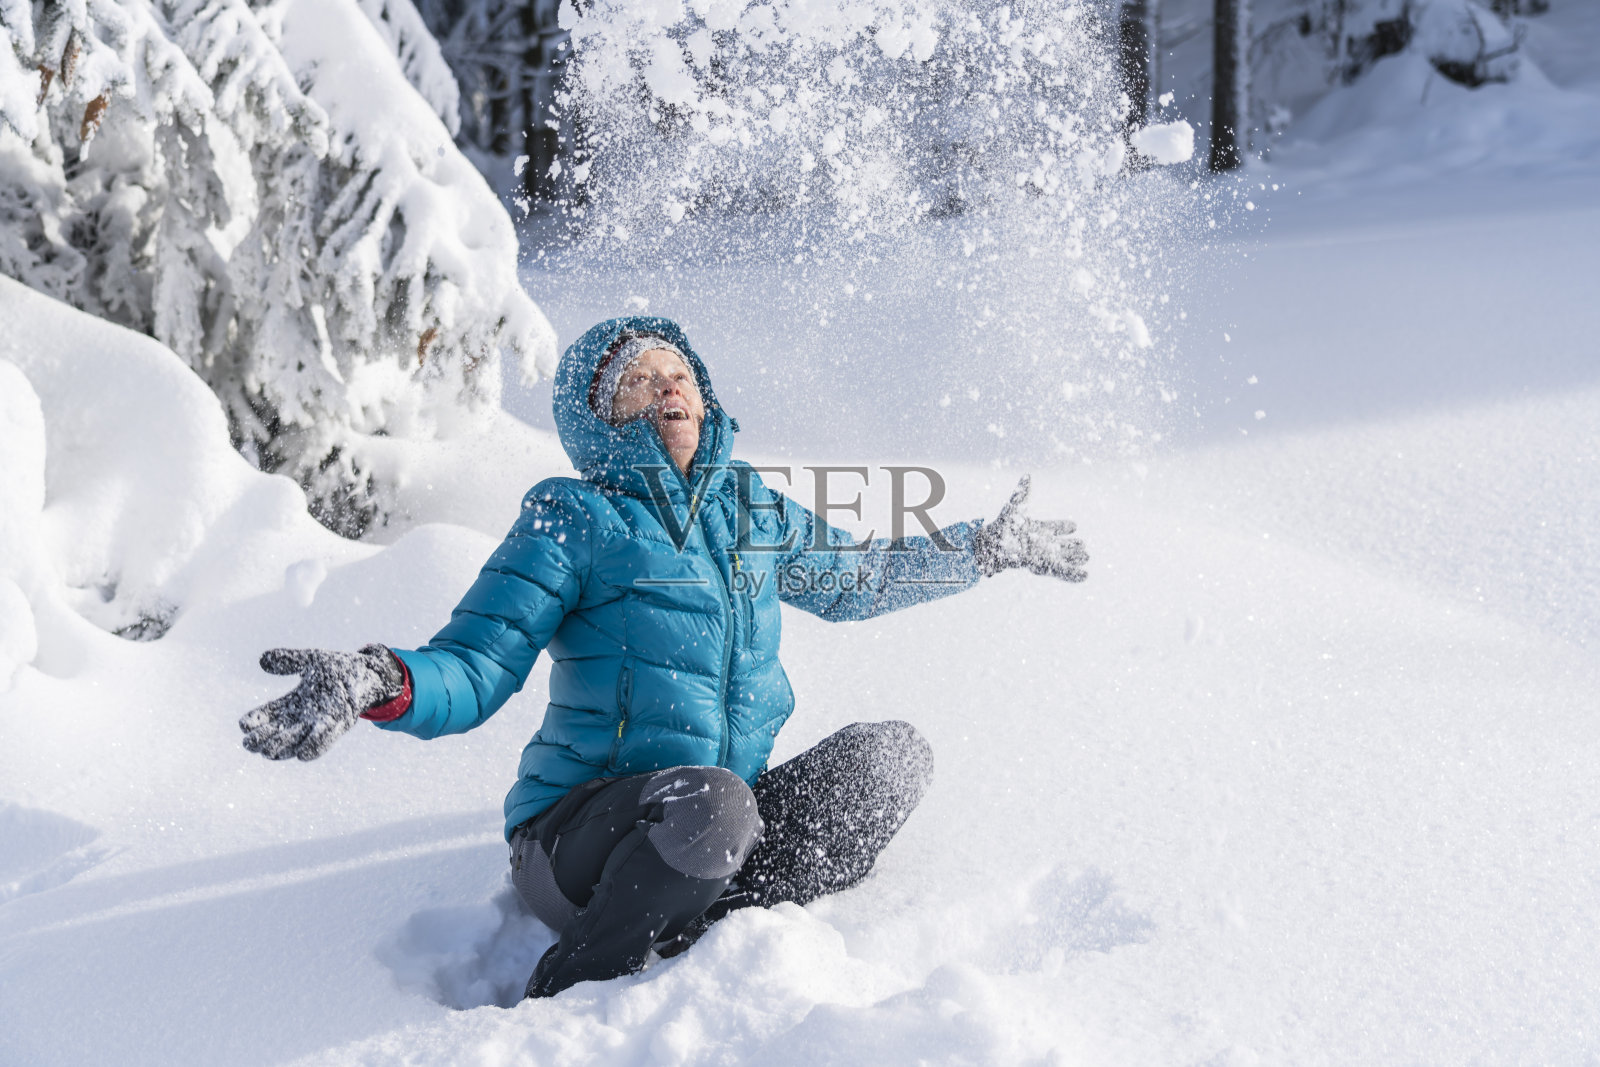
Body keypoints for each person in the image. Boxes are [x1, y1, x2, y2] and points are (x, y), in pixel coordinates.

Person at [239, 316, 1088, 998]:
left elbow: (857, 576)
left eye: (677, 369)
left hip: (716, 825)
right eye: (638, 378)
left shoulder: (748, 506)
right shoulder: (576, 515)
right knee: (714, 804)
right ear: (600, 415)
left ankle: (704, 926)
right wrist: (382, 678)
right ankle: (568, 990)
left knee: (886, 758)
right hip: (577, 840)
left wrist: (983, 546)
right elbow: (478, 662)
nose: (667, 382)